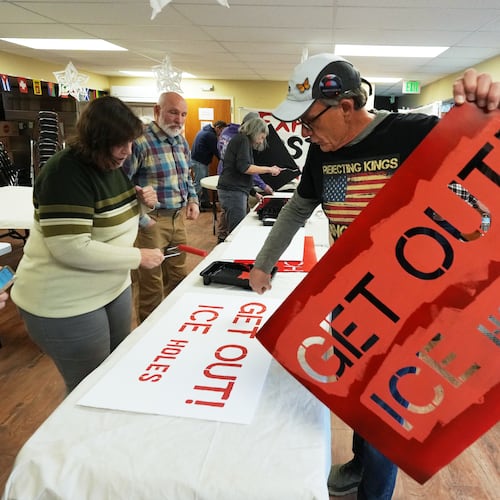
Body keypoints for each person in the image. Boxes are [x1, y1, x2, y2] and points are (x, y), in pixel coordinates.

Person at [248, 53, 500, 499]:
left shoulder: (411, 132)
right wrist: (264, 262)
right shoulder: (322, 153)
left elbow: (482, 171)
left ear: (346, 106)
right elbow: (298, 208)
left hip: (407, 307)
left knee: (385, 413)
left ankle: (374, 492)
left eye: (309, 121)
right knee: (356, 389)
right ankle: (360, 463)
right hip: (352, 299)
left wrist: (490, 109)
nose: (306, 134)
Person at [10, 96, 164, 393]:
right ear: (96, 140)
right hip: (65, 300)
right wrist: (136, 257)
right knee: (89, 388)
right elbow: (70, 247)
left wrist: (143, 206)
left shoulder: (110, 163)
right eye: (120, 143)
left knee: (115, 372)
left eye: (130, 142)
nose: (127, 151)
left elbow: (110, 219)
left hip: (110, 288)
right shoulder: (64, 173)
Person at [122, 91, 199, 323]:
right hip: (151, 223)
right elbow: (121, 185)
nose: (179, 119)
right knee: (151, 284)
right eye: (173, 112)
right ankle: (148, 338)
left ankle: (175, 328)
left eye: (183, 114)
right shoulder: (139, 142)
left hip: (178, 219)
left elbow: (187, 175)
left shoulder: (180, 141)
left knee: (178, 277)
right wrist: (142, 219)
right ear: (157, 111)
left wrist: (193, 199)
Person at [217, 116, 282, 237]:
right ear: (255, 131)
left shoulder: (242, 141)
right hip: (232, 192)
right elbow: (245, 168)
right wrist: (269, 169)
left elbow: (240, 173)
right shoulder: (242, 141)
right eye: (261, 137)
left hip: (234, 190)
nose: (261, 141)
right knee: (236, 232)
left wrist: (254, 193)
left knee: (237, 227)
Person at [191, 120, 227, 210]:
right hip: (200, 162)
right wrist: (225, 162)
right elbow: (217, 152)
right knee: (199, 184)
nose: (222, 134)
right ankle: (194, 205)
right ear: (217, 128)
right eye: (222, 131)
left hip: (199, 161)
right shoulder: (210, 135)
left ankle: (205, 202)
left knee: (204, 183)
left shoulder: (205, 131)